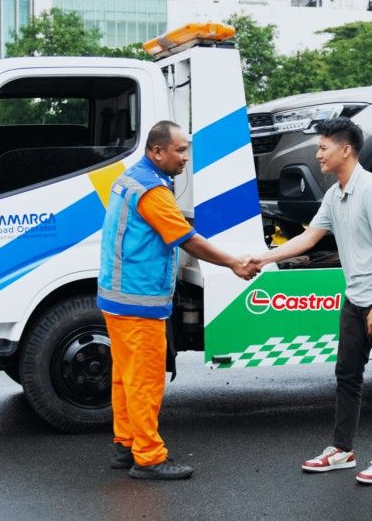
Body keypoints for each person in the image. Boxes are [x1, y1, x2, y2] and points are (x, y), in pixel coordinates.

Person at [247, 117, 372, 485]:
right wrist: (263, 259)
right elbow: (309, 239)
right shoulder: (335, 194)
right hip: (353, 300)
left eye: (323, 147)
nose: (318, 154)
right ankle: (342, 449)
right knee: (346, 376)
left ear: (345, 150)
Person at [98, 120, 259, 480]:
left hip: (117, 297)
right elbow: (187, 239)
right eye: (180, 150)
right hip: (139, 301)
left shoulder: (131, 178)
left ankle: (126, 445)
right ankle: (150, 458)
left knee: (125, 378)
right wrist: (234, 263)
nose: (186, 157)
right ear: (157, 152)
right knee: (144, 381)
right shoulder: (153, 191)